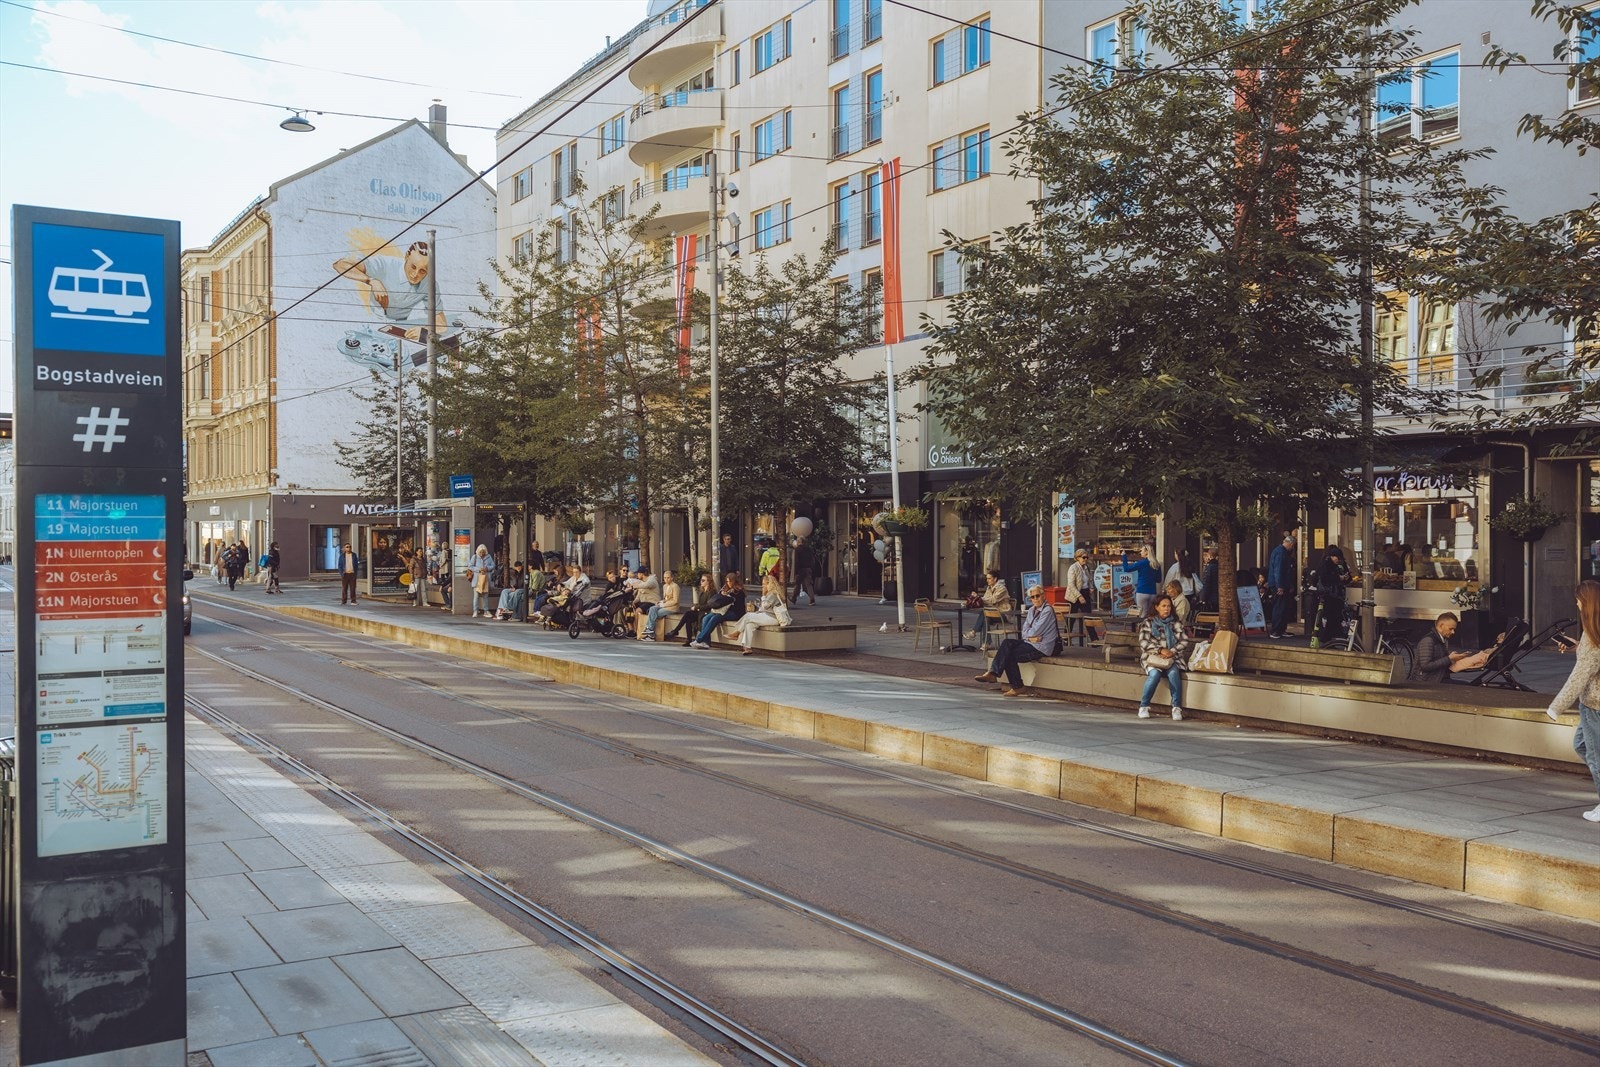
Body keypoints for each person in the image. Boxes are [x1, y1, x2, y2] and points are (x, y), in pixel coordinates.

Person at [1547, 580, 1600, 823]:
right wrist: (1576, 648)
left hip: (1594, 706)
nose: (1576, 603)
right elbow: (1591, 661)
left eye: (1578, 599)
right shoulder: (1592, 634)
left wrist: (1556, 707)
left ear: (1587, 603)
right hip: (1591, 704)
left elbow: (1580, 676)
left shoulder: (1593, 637)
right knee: (1582, 746)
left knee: (1595, 757)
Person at [974, 583, 1061, 697]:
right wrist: (1030, 637)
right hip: (1030, 642)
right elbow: (1024, 631)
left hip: (1042, 646)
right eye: (1032, 597)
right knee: (1007, 643)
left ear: (1043, 596)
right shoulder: (1031, 611)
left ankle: (1016, 686)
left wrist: (1030, 635)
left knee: (1010, 655)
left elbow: (1035, 631)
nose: (1035, 599)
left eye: (1037, 596)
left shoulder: (1047, 610)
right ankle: (994, 673)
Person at [1136, 594, 1192, 720]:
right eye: (1163, 606)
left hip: (1172, 658)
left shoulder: (1175, 622)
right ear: (1156, 607)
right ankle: (1144, 706)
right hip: (1153, 658)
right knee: (1154, 674)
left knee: (1173, 673)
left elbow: (1184, 641)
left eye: (1168, 606)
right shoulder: (1148, 622)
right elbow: (1143, 642)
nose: (1166, 609)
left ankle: (1176, 708)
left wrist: (1171, 652)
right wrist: (1160, 650)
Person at [1410, 612, 1494, 682]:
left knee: (1474, 684)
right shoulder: (1428, 641)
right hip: (1428, 681)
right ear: (1441, 626)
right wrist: (1449, 658)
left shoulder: (1443, 639)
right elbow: (1425, 666)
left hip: (1438, 678)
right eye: (1451, 629)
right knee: (1468, 688)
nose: (1453, 632)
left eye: (1454, 629)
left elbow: (1442, 662)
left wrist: (1456, 658)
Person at [735, 573, 791, 655]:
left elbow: (765, 606)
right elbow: (763, 608)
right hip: (767, 616)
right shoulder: (770, 594)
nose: (763, 586)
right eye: (763, 584)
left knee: (747, 616)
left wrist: (763, 595)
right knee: (749, 624)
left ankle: (737, 633)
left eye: (765, 584)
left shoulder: (773, 594)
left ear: (770, 584)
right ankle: (747, 647)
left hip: (773, 618)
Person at [691, 572, 747, 649]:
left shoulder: (739, 591)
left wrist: (728, 597)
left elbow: (737, 605)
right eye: (727, 581)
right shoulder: (726, 588)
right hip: (722, 611)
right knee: (706, 618)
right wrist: (723, 595)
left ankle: (699, 639)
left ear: (734, 581)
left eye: (730, 581)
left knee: (715, 618)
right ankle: (706, 642)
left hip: (735, 613)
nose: (728, 583)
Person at [969, 567, 1014, 649]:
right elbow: (985, 599)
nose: (987, 580)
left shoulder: (1002, 588)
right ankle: (986, 643)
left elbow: (992, 600)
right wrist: (978, 599)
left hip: (1004, 614)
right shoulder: (989, 588)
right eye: (987, 578)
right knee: (985, 617)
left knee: (984, 614)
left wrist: (979, 597)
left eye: (989, 578)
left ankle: (974, 632)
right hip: (993, 613)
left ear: (995, 579)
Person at [666, 573, 715, 646]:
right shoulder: (702, 592)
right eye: (701, 580)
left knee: (688, 615)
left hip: (705, 612)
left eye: (703, 580)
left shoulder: (711, 592)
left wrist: (696, 607)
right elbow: (700, 604)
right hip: (700, 611)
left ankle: (676, 631)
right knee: (688, 615)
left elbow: (708, 605)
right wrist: (695, 607)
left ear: (708, 582)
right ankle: (687, 638)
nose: (701, 582)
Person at [1315, 546, 1351, 643]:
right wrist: (1339, 578)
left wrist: (1346, 578)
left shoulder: (1341, 564)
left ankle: (1332, 638)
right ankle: (1327, 638)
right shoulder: (1325, 564)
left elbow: (1348, 576)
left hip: (1338, 595)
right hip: (1329, 595)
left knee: (1336, 617)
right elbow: (1324, 578)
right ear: (1331, 556)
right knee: (1331, 617)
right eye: (1336, 557)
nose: (1338, 560)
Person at [1267, 533, 1297, 639]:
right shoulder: (1281, 553)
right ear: (1289, 543)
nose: (1292, 548)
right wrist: (1280, 586)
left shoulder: (1280, 551)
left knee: (1283, 607)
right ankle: (1275, 630)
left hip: (1281, 584)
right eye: (1292, 545)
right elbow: (1278, 570)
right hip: (1279, 585)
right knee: (1279, 607)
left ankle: (1281, 630)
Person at [1121, 545, 1161, 617]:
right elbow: (1159, 580)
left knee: (1142, 615)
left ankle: (1142, 627)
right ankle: (1150, 627)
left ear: (1146, 552)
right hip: (1152, 593)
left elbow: (1126, 569)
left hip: (1142, 592)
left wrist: (1124, 556)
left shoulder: (1141, 563)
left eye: (1142, 551)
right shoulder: (1157, 564)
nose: (1140, 552)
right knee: (1151, 615)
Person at [641, 571, 681, 641]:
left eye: (668, 578)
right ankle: (650, 631)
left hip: (672, 608)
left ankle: (650, 633)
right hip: (665, 606)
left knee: (656, 613)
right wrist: (661, 602)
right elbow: (666, 598)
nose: (666, 579)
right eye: (665, 578)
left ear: (672, 578)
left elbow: (675, 601)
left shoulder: (675, 586)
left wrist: (663, 605)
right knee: (652, 609)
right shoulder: (664, 586)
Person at [468, 544, 496, 618]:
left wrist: (487, 568)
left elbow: (493, 565)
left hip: (486, 578)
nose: (482, 554)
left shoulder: (489, 557)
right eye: (480, 552)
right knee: (476, 596)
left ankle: (486, 611)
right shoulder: (474, 557)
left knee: (485, 596)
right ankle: (475, 610)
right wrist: (478, 569)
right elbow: (470, 566)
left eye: (483, 552)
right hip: (477, 579)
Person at [790, 536, 818, 607]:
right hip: (808, 568)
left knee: (797, 584)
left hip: (800, 569)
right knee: (809, 585)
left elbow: (797, 561)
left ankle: (793, 598)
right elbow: (812, 559)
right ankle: (812, 599)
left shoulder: (797, 549)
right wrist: (811, 568)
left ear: (799, 542)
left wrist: (796, 571)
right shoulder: (809, 549)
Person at [1066, 548, 1093, 612]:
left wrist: (1091, 587)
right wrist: (1079, 596)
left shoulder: (1086, 567)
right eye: (1083, 557)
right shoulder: (1073, 568)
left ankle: (1083, 622)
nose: (1086, 559)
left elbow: (1089, 579)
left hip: (1085, 592)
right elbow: (1071, 584)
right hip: (1074, 595)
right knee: (1072, 617)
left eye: (1087, 557)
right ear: (1078, 558)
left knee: (1087, 615)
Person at [1199, 547, 1219, 613]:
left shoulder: (1210, 567)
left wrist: (1203, 598)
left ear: (1210, 555)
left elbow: (1207, 583)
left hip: (1211, 598)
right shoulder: (1220, 566)